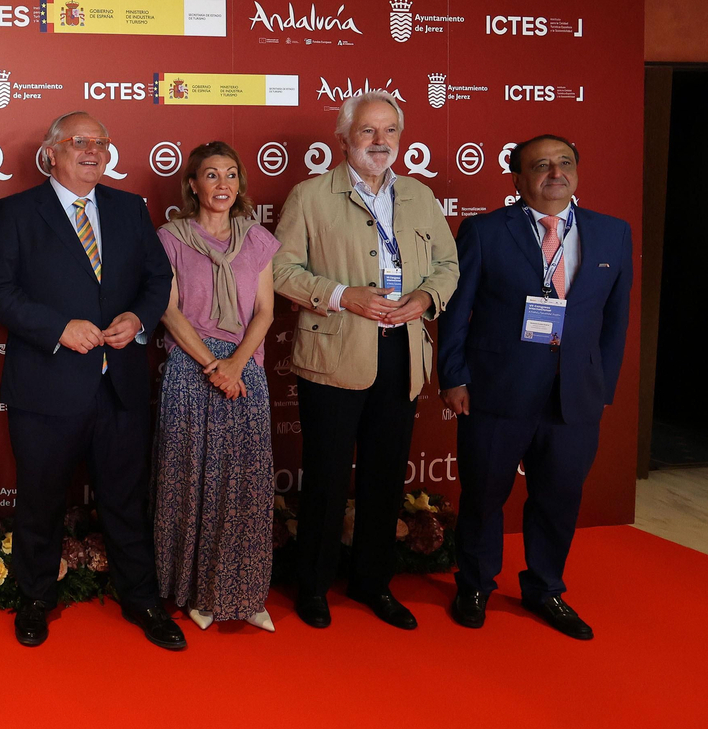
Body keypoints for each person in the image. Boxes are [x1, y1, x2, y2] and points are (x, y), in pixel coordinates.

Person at [0, 111, 184, 651]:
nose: (92, 150)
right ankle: (36, 598)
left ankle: (141, 598)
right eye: (79, 142)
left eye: (100, 142)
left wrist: (138, 319)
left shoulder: (128, 208)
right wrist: (57, 328)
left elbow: (157, 278)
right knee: (41, 501)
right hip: (46, 389)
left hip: (118, 386)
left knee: (125, 499)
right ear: (51, 151)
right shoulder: (16, 212)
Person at [272, 89, 458, 631]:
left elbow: (448, 265)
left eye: (390, 132)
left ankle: (373, 582)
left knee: (384, 477)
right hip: (335, 353)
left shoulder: (421, 196)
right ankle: (313, 586)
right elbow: (281, 271)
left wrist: (424, 300)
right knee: (328, 477)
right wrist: (341, 294)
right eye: (368, 132)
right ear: (344, 139)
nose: (381, 142)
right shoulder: (309, 196)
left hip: (402, 353)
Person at [439, 134, 632, 639]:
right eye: (541, 165)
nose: (555, 173)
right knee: (483, 493)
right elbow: (458, 313)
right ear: (518, 179)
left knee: (559, 496)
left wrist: (601, 386)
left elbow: (616, 320)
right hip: (497, 390)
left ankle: (544, 587)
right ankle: (475, 583)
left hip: (574, 397)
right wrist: (454, 375)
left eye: (565, 163)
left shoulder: (613, 234)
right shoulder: (483, 231)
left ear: (577, 172)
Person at [152, 142, 279, 632]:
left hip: (246, 368)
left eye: (231, 174)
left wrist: (237, 365)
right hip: (191, 367)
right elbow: (169, 309)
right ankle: (196, 592)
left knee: (246, 481)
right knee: (191, 479)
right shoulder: (171, 238)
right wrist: (213, 366)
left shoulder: (258, 240)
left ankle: (244, 593)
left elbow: (266, 310)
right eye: (211, 174)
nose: (222, 184)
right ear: (193, 184)